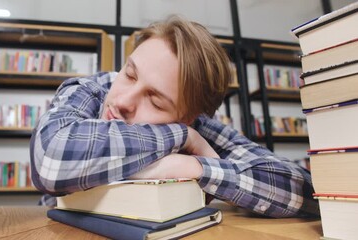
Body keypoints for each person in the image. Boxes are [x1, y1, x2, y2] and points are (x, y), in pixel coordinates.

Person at [30, 16, 319, 218]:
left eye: (155, 100)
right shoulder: (91, 89)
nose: (123, 101)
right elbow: (51, 160)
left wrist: (196, 167)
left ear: (187, 116)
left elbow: (305, 189)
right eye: (129, 74)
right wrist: (184, 138)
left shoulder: (201, 124)